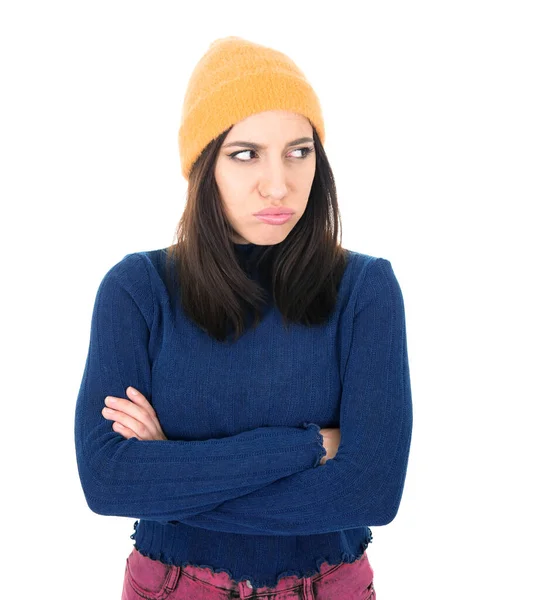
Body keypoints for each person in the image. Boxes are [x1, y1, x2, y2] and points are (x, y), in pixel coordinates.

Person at [74, 35, 413, 600]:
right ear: (203, 164)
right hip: (174, 588)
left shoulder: (365, 290)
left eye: (299, 151)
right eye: (246, 153)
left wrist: (172, 471)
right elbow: (108, 482)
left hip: (329, 587)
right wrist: (308, 447)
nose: (278, 184)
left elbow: (372, 492)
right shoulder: (138, 291)